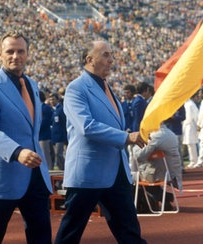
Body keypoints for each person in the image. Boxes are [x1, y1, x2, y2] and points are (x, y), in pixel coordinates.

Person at [54, 40, 147, 244]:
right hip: (88, 171)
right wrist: (125, 137)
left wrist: (127, 133)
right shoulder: (76, 88)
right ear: (89, 59)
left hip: (116, 171)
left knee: (129, 230)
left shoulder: (106, 87)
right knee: (71, 232)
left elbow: (110, 123)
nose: (111, 60)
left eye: (111, 55)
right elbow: (86, 126)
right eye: (105, 55)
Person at [0, 31, 52, 244]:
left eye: (20, 51)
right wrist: (17, 152)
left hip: (35, 174)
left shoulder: (33, 85)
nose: (15, 56)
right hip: (4, 174)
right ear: (0, 54)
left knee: (41, 237)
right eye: (10, 51)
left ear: (27, 55)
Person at [132, 123, 183, 212]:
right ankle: (163, 197)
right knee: (146, 171)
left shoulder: (157, 136)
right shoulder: (171, 134)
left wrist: (134, 143)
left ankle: (160, 198)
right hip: (172, 173)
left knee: (128, 177)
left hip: (159, 174)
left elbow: (139, 156)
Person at [182, 92, 200, 168]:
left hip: (190, 125)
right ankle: (192, 160)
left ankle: (194, 161)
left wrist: (197, 125)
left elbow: (194, 116)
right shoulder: (186, 104)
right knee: (189, 144)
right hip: (187, 125)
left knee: (191, 144)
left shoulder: (190, 104)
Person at [49, 93, 67, 170]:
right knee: (55, 155)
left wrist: (65, 136)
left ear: (57, 100)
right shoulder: (53, 110)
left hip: (60, 136)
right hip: (54, 137)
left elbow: (64, 123)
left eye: (53, 99)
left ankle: (64, 170)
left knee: (58, 154)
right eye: (50, 99)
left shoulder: (61, 109)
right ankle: (60, 169)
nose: (51, 101)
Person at [39, 91, 54, 170]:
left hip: (44, 136)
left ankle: (49, 176)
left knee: (46, 157)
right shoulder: (39, 107)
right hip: (39, 137)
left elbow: (44, 122)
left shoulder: (45, 108)